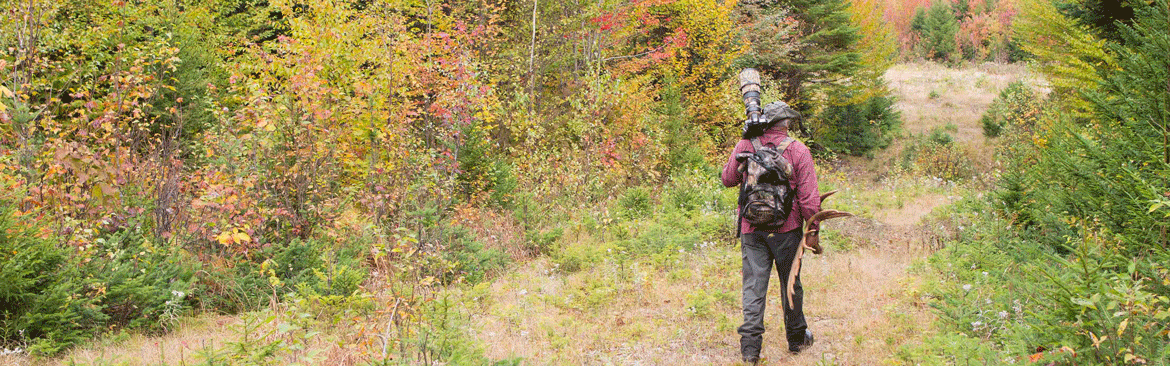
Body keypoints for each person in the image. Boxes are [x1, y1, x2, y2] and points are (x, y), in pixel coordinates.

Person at [720, 101, 821, 364]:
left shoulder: (747, 145)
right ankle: (797, 341)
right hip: (787, 230)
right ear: (786, 123)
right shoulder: (798, 150)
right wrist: (813, 231)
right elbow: (809, 199)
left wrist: (742, 146)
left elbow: (728, 179)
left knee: (754, 287)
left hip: (751, 229)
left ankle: (750, 350)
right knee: (791, 284)